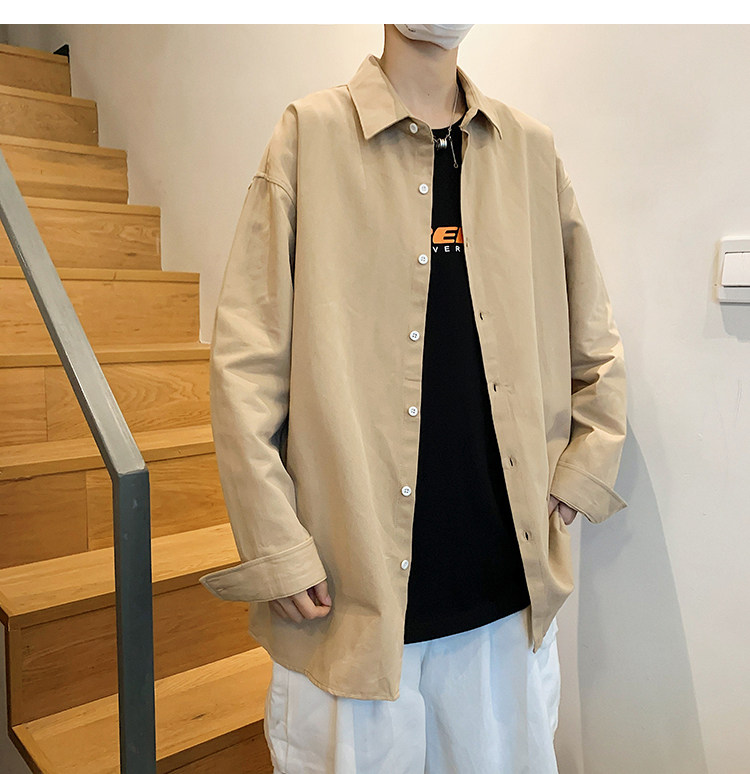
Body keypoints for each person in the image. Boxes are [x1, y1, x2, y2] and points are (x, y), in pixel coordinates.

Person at [200, 23, 628, 774]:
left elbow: (596, 343)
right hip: (347, 605)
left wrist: (582, 471)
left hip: (508, 601)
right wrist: (274, 544)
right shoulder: (309, 136)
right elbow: (245, 369)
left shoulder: (532, 151)